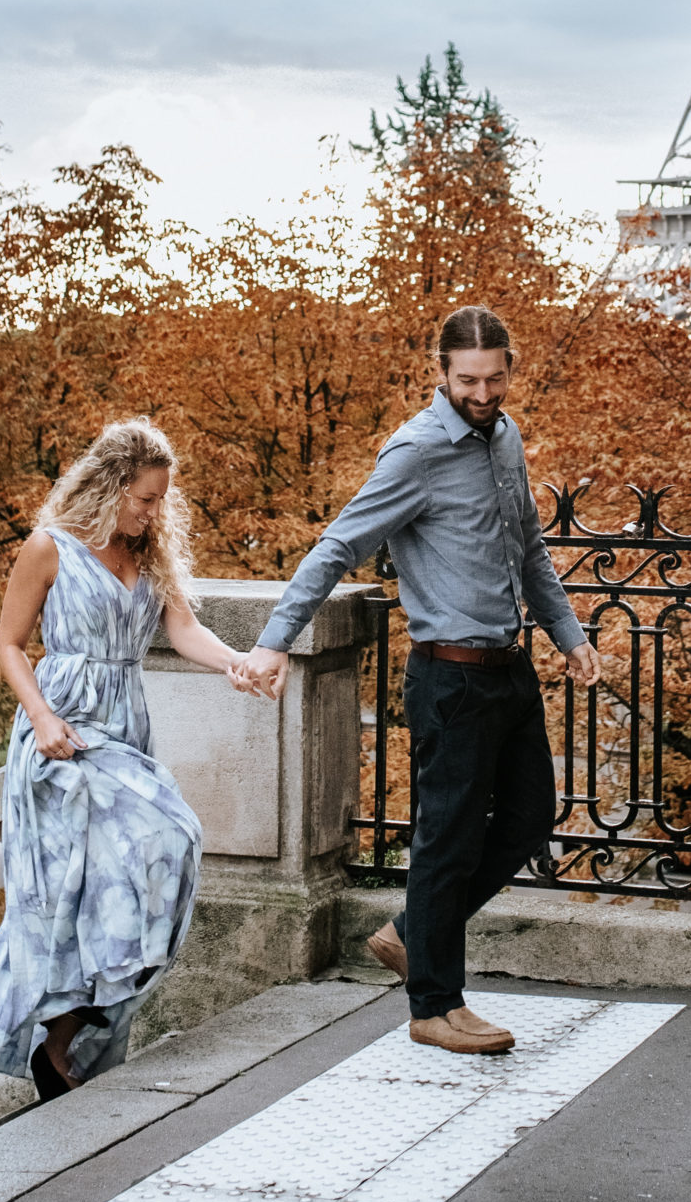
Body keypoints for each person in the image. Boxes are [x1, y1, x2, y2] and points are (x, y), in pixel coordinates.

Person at [240, 304, 599, 1056]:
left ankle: (413, 935)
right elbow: (337, 545)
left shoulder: (505, 439)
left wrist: (568, 634)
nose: (482, 392)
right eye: (467, 380)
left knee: (533, 817)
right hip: (449, 678)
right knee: (447, 843)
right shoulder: (414, 451)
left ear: (509, 370)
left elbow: (529, 548)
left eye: (495, 378)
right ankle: (433, 1005)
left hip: (509, 669)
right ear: (440, 373)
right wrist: (275, 641)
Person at [0, 418, 251, 1100]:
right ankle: (52, 1035)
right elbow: (10, 644)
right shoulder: (49, 549)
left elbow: (184, 629)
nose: (154, 511)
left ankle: (66, 1036)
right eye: (143, 498)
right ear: (109, 488)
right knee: (154, 843)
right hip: (62, 736)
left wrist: (239, 665)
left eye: (161, 498)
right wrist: (43, 718)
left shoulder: (151, 555)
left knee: (107, 890)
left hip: (123, 727)